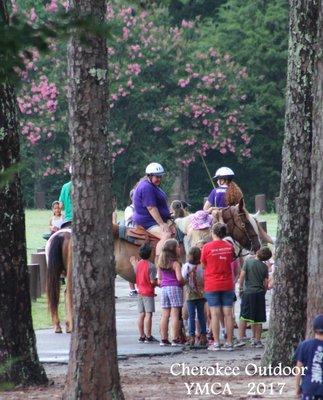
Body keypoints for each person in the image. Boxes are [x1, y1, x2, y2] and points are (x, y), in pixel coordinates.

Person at [201, 222, 235, 351]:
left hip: (212, 283)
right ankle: (229, 343)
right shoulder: (229, 247)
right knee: (228, 314)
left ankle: (216, 343)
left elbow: (203, 265)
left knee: (214, 314)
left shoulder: (207, 247)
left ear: (213, 232)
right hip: (227, 283)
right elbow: (231, 261)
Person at [133, 163, 172, 257]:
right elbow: (151, 208)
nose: (159, 179)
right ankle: (160, 263)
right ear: (149, 176)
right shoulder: (146, 187)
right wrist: (162, 224)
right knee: (166, 235)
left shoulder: (152, 185)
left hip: (153, 220)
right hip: (148, 222)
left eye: (161, 176)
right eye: (157, 176)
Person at [237, 246, 272, 348]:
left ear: (257, 252)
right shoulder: (265, 267)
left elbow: (242, 276)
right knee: (258, 318)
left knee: (243, 316)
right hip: (259, 293)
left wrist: (240, 288)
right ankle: (257, 340)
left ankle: (240, 339)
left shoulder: (248, 262)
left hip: (248, 293)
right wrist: (263, 292)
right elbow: (265, 283)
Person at [157, 239, 185, 346]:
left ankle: (164, 339)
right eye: (177, 247)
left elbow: (159, 280)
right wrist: (184, 281)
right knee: (175, 314)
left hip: (164, 289)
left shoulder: (160, 262)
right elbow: (179, 278)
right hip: (174, 288)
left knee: (165, 315)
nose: (179, 248)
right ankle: (175, 338)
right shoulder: (175, 264)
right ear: (173, 249)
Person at [131, 243, 158, 344]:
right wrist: (158, 283)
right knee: (148, 314)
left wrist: (133, 263)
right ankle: (149, 335)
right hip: (148, 292)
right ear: (150, 254)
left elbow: (136, 273)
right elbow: (152, 281)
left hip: (140, 292)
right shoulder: (151, 266)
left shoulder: (137, 265)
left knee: (141, 314)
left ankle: (142, 335)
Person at [181, 246, 207, 347]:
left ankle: (191, 337)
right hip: (201, 293)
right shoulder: (201, 266)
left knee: (191, 316)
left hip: (190, 294)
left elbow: (183, 278)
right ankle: (203, 336)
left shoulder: (187, 266)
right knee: (201, 316)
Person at [295, 314, 323, 400]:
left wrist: (297, 388)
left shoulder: (304, 345)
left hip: (308, 388)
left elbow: (298, 369)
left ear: (314, 329)